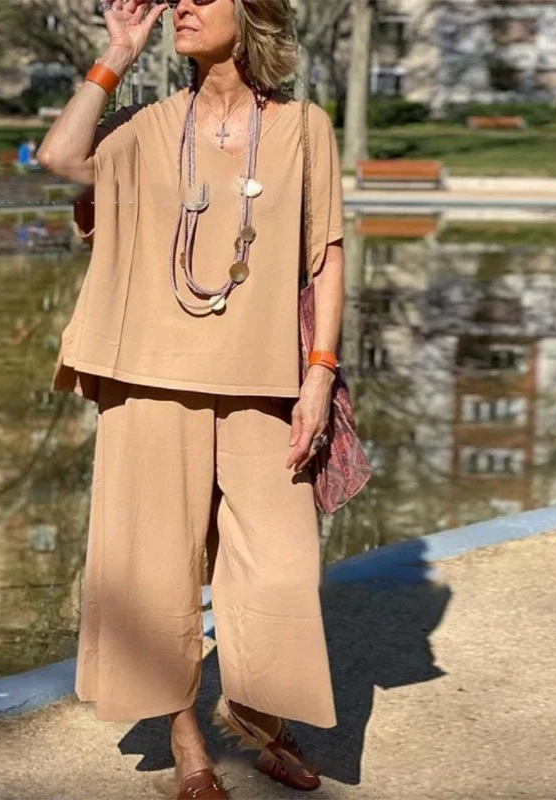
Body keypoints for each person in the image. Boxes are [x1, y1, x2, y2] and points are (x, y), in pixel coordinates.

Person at [37, 1, 345, 798]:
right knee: (154, 573)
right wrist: (116, 53)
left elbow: (325, 257)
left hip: (265, 384)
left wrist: (319, 374)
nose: (182, 6)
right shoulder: (146, 125)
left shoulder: (303, 127)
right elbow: (61, 158)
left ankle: (258, 716)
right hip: (148, 378)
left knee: (280, 570)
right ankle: (189, 748)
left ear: (251, 13)